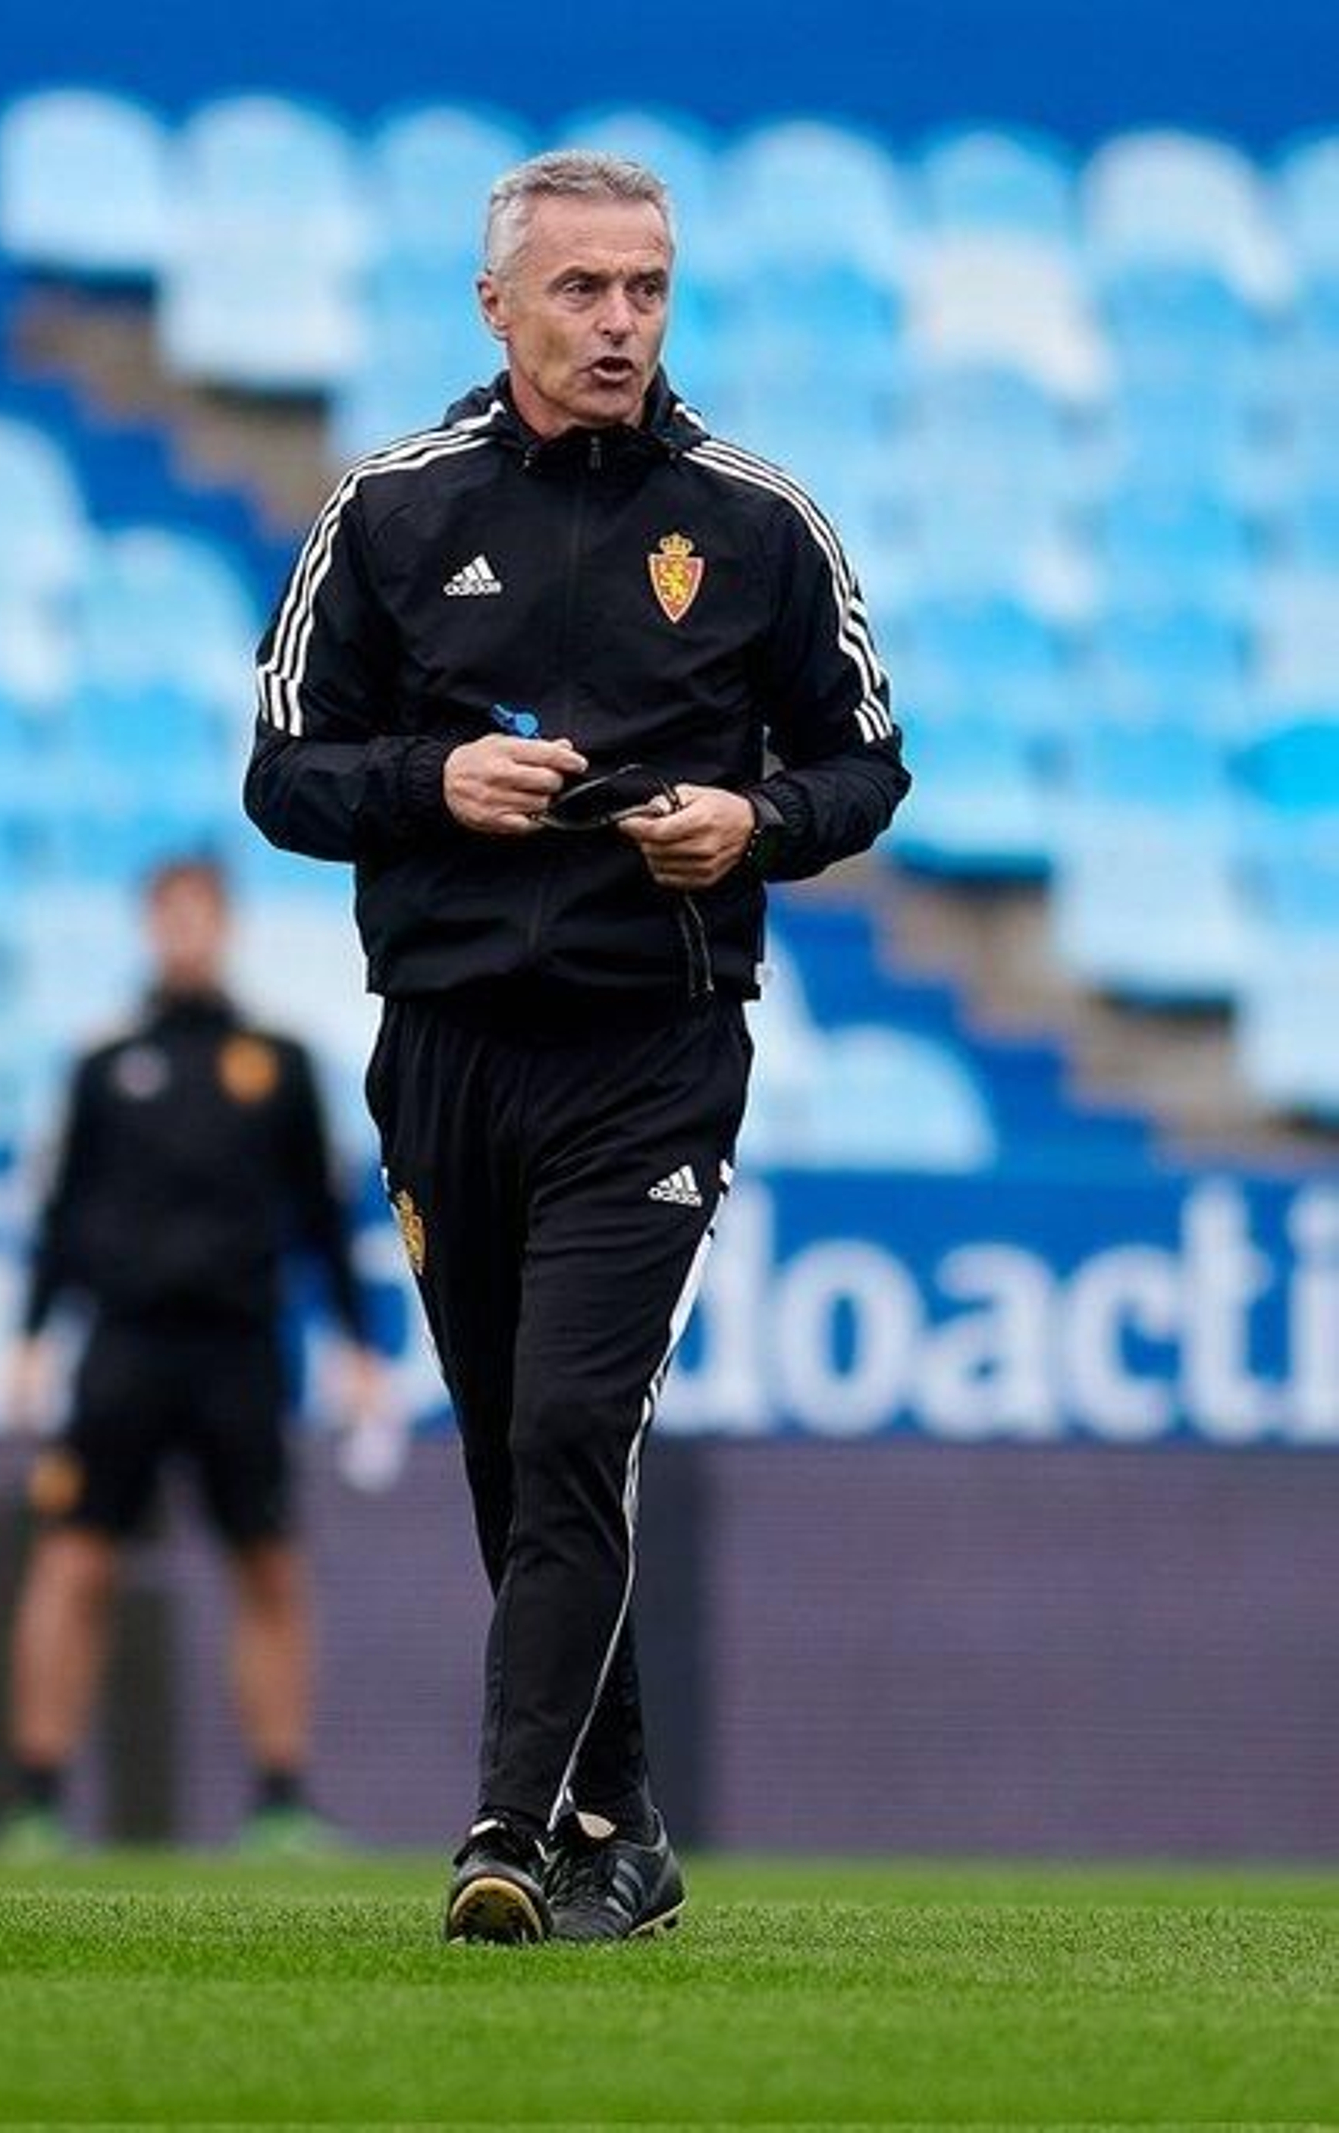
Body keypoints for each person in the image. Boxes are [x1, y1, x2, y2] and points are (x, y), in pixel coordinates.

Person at [244, 150, 911, 1941]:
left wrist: (750, 823)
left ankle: (509, 1832)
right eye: (585, 290)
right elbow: (283, 770)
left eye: (649, 290)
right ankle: (624, 1817)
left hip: (655, 1040)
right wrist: (433, 783)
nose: (621, 322)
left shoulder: (757, 519)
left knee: (570, 1424)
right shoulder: (388, 509)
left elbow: (865, 763)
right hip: (448, 1039)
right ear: (498, 305)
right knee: (511, 1450)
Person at [0, 854, 383, 1856]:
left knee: (267, 1565)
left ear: (225, 927)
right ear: (146, 926)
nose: (185, 934)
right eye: (168, 917)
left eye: (200, 916)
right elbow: (62, 1214)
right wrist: (32, 1338)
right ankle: (35, 1797)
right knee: (74, 1560)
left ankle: (280, 1798)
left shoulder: (277, 1063)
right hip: (123, 1345)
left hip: (241, 1348)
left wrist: (356, 1343)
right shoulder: (102, 1065)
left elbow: (322, 1216)